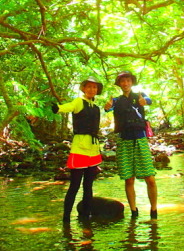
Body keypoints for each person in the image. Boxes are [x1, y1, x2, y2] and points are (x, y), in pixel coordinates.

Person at [104, 71, 158, 219]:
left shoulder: (140, 95)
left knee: (150, 178)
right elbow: (107, 107)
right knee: (129, 179)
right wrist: (107, 106)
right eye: (123, 81)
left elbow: (149, 100)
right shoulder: (116, 100)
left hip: (140, 139)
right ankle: (134, 211)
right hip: (124, 140)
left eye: (128, 81)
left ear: (131, 82)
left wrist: (145, 101)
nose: (125, 83)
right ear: (120, 84)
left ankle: (154, 211)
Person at [52, 76, 103, 224]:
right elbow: (67, 107)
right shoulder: (78, 102)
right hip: (79, 147)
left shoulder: (96, 107)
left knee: (88, 186)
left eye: (94, 87)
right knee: (74, 185)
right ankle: (66, 219)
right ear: (84, 88)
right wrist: (57, 108)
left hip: (93, 149)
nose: (92, 89)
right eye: (89, 87)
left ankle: (86, 217)